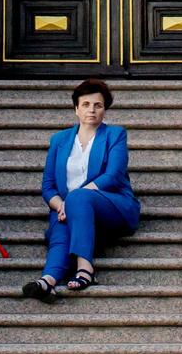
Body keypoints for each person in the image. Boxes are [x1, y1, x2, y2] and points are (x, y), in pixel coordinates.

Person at [22, 78, 142, 300]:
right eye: (86, 104)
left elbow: (113, 176)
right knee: (60, 230)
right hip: (70, 209)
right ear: (76, 108)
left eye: (98, 105)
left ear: (104, 110)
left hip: (113, 206)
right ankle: (47, 281)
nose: (92, 110)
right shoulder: (59, 140)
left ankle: (85, 269)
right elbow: (48, 186)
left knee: (78, 199)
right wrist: (61, 205)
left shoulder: (115, 135)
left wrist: (74, 199)